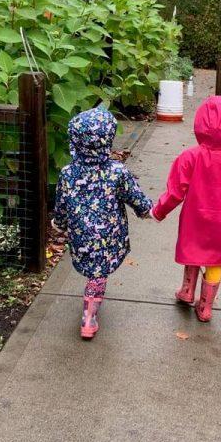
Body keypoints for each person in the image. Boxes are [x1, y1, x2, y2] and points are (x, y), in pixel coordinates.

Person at [151, 96, 221, 322]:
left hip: (195, 217)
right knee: (215, 260)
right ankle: (206, 306)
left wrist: (159, 211)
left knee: (194, 250)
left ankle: (187, 290)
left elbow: (175, 191)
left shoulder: (189, 157)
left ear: (200, 124)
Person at [52, 107, 152, 339]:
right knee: (99, 274)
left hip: (81, 234)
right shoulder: (117, 172)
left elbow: (62, 203)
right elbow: (134, 196)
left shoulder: (68, 173)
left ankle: (92, 302)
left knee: (93, 269)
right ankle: (89, 316)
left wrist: (60, 222)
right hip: (109, 235)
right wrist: (147, 210)